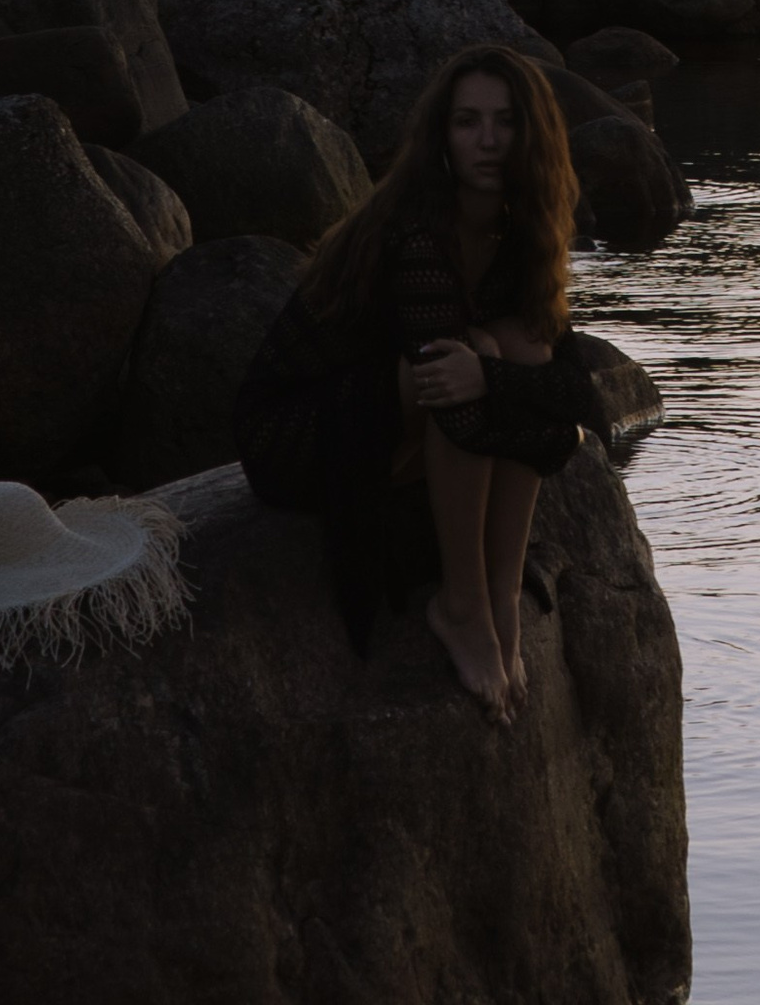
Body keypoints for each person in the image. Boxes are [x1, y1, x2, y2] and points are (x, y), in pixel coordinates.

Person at [232, 43, 612, 721]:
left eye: (505, 122)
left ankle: (499, 598)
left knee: (513, 345)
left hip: (394, 415)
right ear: (442, 134)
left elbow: (580, 401)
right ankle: (461, 606)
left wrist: (497, 374)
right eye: (467, 122)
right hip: (299, 430)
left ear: (533, 134)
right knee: (466, 358)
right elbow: (456, 402)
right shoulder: (415, 229)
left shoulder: (519, 228)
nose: (488, 141)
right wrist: (497, 377)